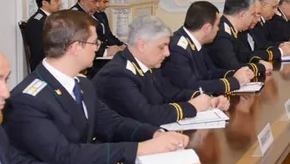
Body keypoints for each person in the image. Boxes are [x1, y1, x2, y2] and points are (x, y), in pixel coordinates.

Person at [3, 10, 188, 164]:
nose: (97, 49)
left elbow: (112, 123)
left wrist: (154, 133)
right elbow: (64, 155)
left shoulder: (83, 84)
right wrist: (140, 149)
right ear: (75, 47)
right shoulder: (29, 98)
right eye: (94, 43)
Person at [94, 15, 226, 127]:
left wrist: (204, 98)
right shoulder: (118, 74)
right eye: (162, 47)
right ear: (142, 45)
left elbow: (171, 92)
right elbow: (147, 115)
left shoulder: (149, 65)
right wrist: (192, 107)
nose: (167, 53)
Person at [162, 1, 256, 95]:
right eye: (217, 25)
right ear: (207, 28)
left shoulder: (195, 41)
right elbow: (192, 85)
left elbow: (211, 72)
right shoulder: (177, 49)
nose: (218, 29)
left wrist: (235, 74)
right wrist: (234, 82)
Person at [209, 0, 276, 78]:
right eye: (252, 14)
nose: (257, 19)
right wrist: (260, 67)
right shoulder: (222, 34)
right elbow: (233, 68)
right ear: (242, 15)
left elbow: (244, 54)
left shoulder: (232, 30)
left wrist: (259, 61)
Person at [23, 0, 63, 70]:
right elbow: (40, 51)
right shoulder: (37, 22)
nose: (60, 3)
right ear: (44, 3)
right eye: (56, 0)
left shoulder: (50, 19)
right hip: (44, 66)